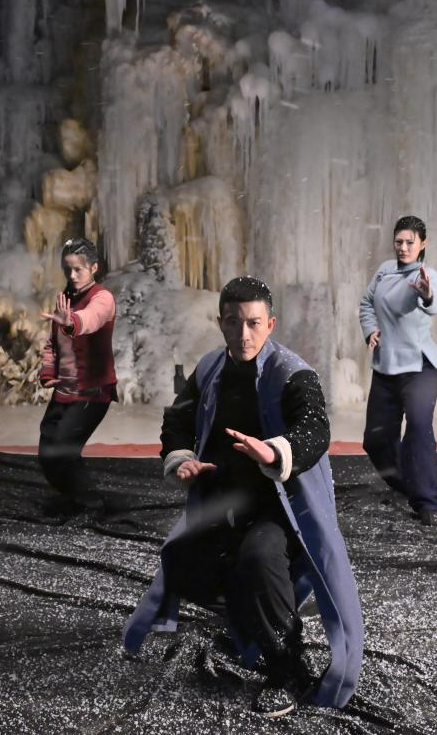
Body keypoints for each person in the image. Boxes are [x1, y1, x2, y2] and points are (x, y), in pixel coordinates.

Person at [123, 277, 363, 718]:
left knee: (258, 557)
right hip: (225, 504)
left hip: (282, 510)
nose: (243, 333)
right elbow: (177, 420)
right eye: (233, 322)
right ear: (221, 322)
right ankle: (250, 625)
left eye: (253, 323)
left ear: (270, 324)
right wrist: (181, 458)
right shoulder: (210, 367)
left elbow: (315, 429)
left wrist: (274, 451)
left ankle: (289, 667)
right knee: (181, 560)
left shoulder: (293, 373)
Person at [358, 215, 437, 525]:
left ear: (423, 244)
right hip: (386, 367)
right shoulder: (384, 270)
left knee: (419, 428)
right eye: (399, 242)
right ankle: (408, 485)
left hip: (419, 367)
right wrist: (370, 330)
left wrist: (426, 294)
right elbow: (366, 303)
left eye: (410, 242)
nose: (404, 247)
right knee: (376, 441)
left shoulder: (426, 275)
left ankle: (428, 503)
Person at [37, 238, 117, 513]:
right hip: (65, 391)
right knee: (48, 452)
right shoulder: (66, 298)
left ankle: (91, 504)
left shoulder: (102, 298)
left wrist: (71, 321)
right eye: (67, 269)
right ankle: (72, 497)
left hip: (91, 393)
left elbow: (91, 319)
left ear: (93, 268)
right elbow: (53, 342)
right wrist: (48, 371)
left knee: (63, 450)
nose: (71, 276)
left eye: (77, 270)